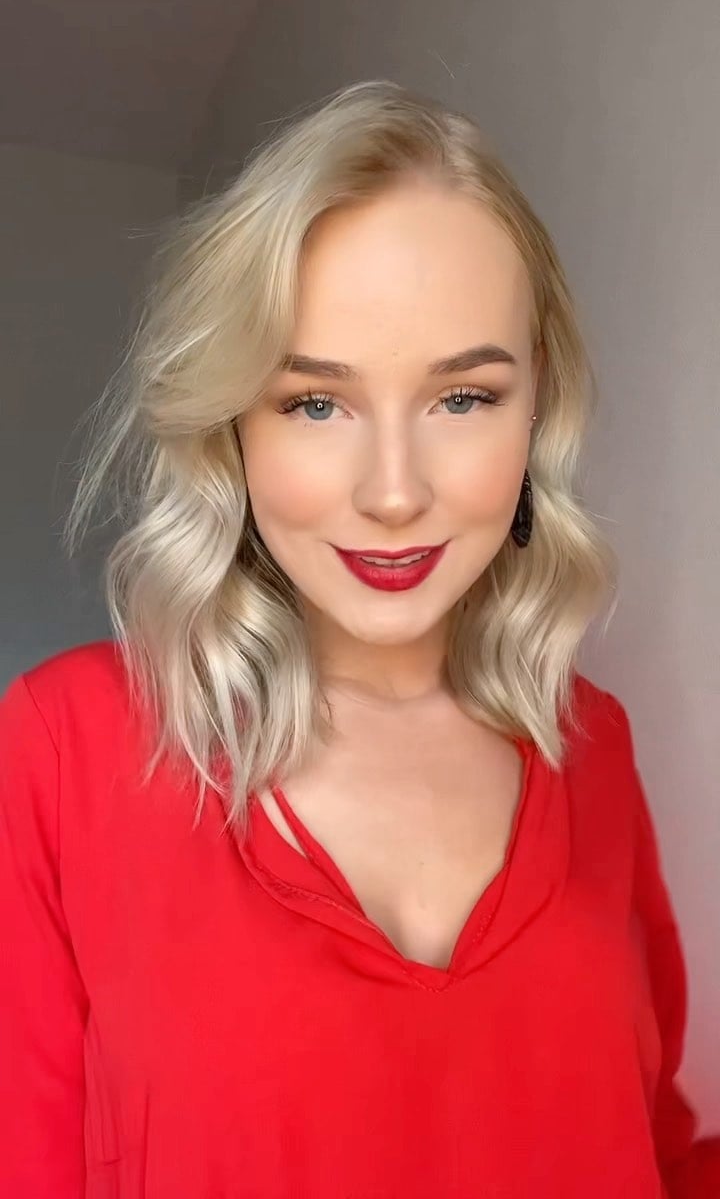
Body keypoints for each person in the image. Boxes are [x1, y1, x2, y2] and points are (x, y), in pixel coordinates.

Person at [0, 79, 717, 1199]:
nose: (393, 492)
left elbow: (653, 1148)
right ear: (233, 427)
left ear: (539, 410)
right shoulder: (65, 745)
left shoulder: (590, 743)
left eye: (464, 398)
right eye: (314, 403)